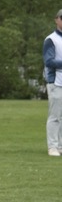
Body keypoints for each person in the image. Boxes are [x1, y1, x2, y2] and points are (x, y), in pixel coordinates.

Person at [43, 9, 62, 156]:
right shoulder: (51, 39)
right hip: (56, 81)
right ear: (56, 20)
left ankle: (60, 146)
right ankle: (53, 147)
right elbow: (49, 61)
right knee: (55, 116)